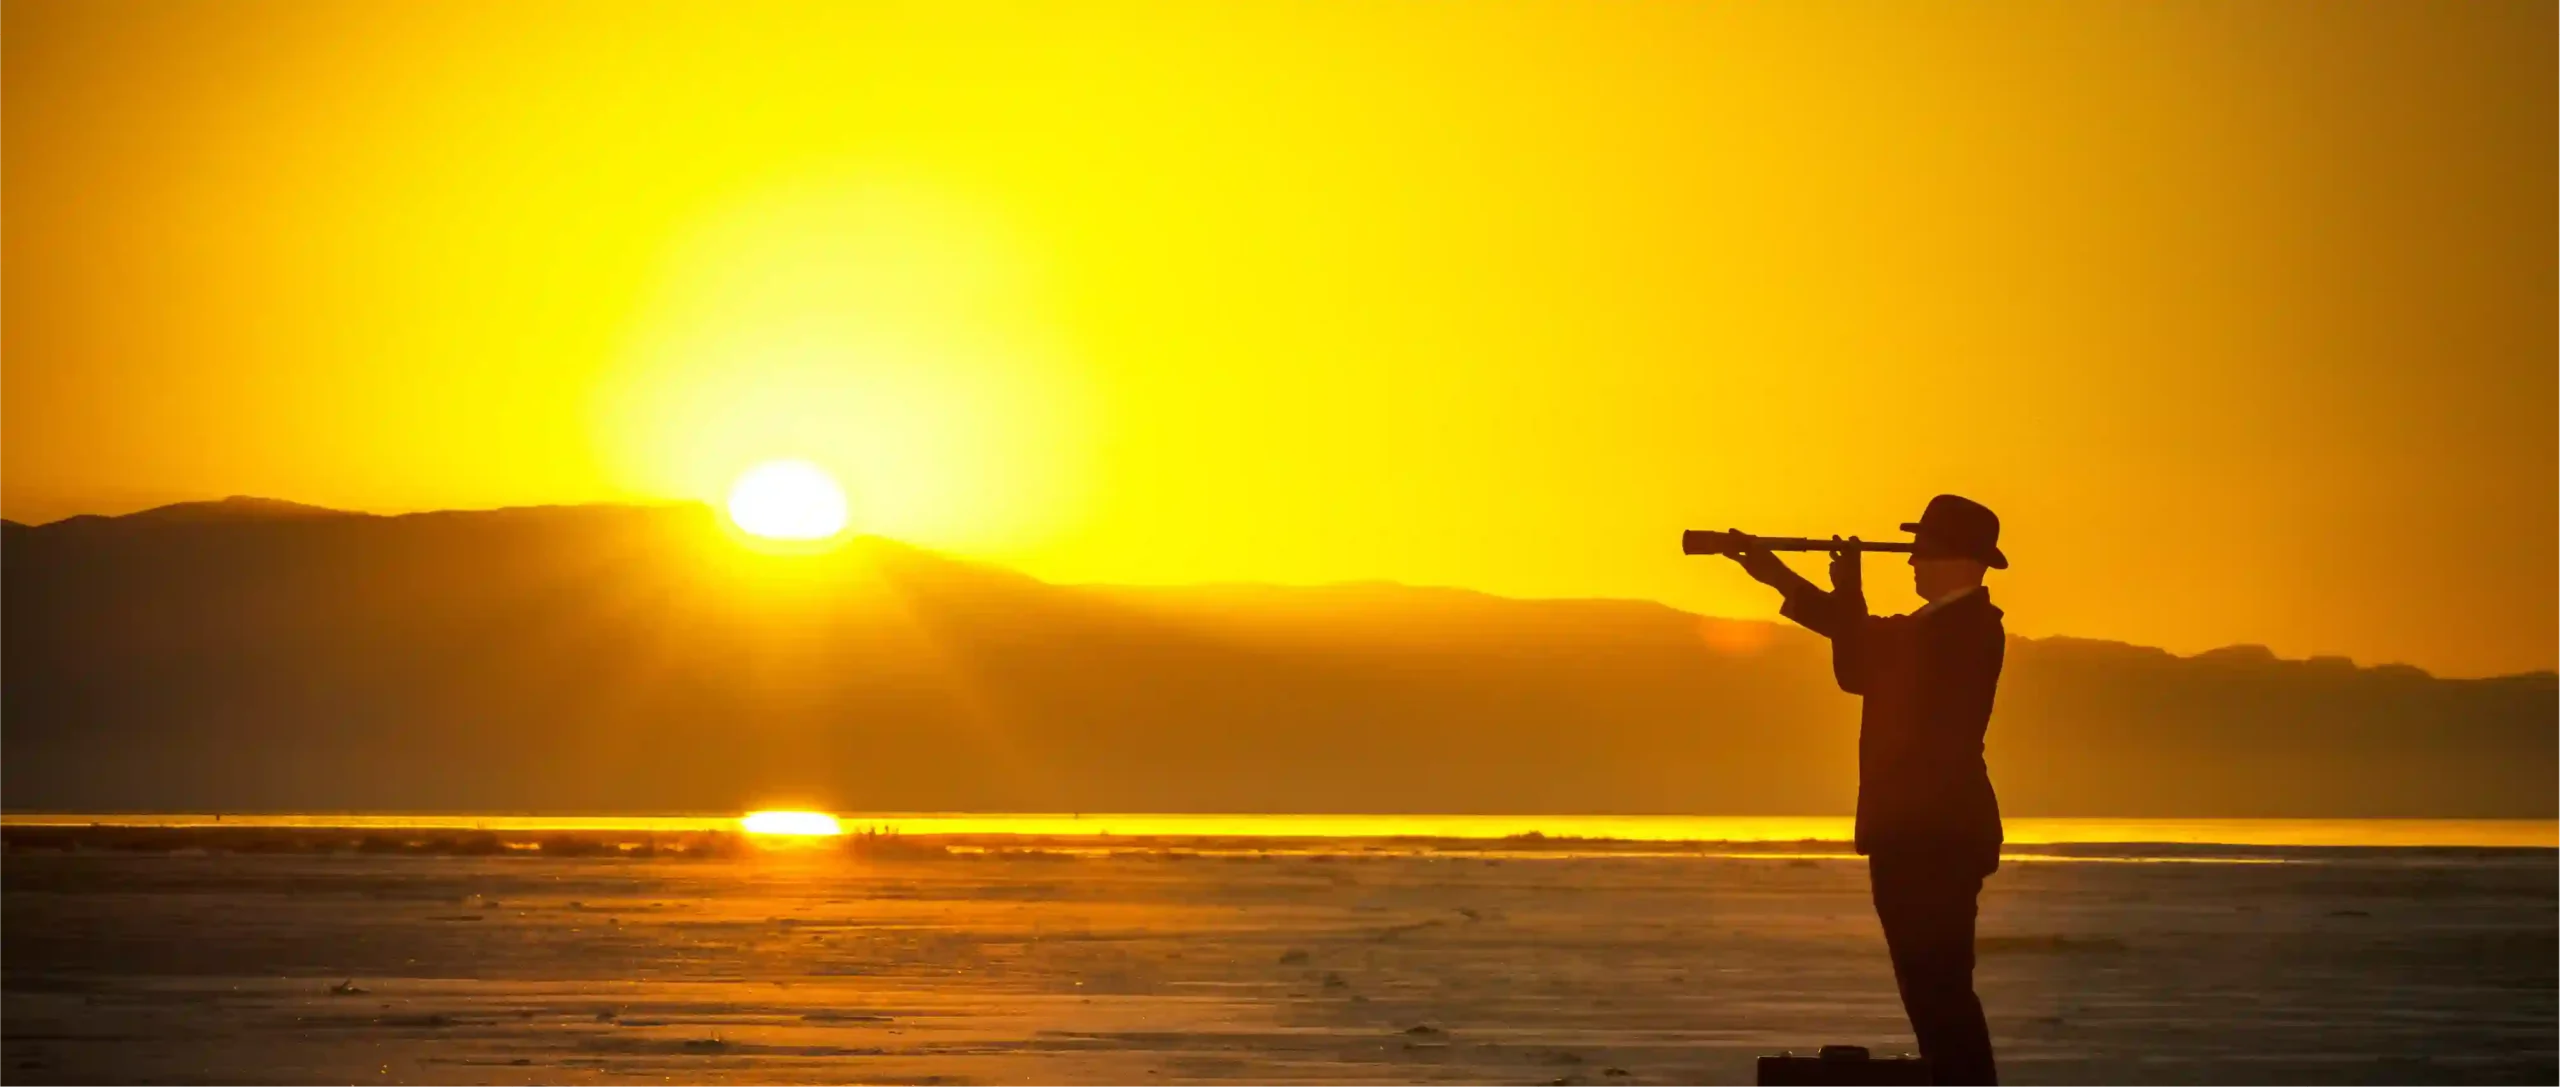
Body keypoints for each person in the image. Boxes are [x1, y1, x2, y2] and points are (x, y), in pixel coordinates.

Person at [1721, 494, 2009, 1087]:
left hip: (1931, 837)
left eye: (1921, 549)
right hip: (1922, 834)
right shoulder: (1943, 626)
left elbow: (1859, 659)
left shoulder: (1964, 629)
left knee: (1939, 991)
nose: (1910, 562)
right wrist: (1774, 572)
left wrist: (1846, 587)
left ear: (1958, 558)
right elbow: (1862, 651)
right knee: (1931, 988)